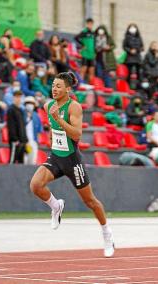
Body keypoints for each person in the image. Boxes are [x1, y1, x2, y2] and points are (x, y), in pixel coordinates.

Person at [29, 72, 114, 258]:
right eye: (53, 85)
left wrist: (59, 120)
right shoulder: (47, 106)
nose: (54, 89)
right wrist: (53, 133)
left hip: (72, 160)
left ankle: (107, 233)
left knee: (90, 201)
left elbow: (77, 135)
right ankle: (56, 206)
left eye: (58, 86)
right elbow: (53, 129)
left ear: (68, 89)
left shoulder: (73, 107)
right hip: (55, 157)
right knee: (35, 185)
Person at [7, 91, 27, 164]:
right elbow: (11, 125)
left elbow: (22, 126)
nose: (18, 99)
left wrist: (25, 139)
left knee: (21, 161)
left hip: (22, 141)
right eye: (16, 97)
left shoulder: (21, 111)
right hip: (15, 141)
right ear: (13, 98)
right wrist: (14, 139)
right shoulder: (11, 110)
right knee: (12, 160)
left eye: (20, 97)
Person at [74, 18, 96, 83]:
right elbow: (76, 38)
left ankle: (91, 85)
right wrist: (83, 45)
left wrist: (95, 52)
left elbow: (95, 43)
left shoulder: (93, 33)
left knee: (91, 70)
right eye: (89, 24)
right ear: (87, 24)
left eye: (91, 24)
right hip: (85, 54)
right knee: (84, 69)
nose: (90, 25)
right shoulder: (84, 31)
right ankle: (80, 84)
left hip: (91, 54)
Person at [23, 96, 43, 165]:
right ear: (25, 104)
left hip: (33, 142)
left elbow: (39, 130)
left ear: (34, 105)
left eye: (31, 103)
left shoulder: (36, 116)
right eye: (28, 103)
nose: (29, 104)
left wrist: (36, 141)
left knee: (33, 162)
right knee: (24, 161)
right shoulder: (22, 114)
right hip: (24, 142)